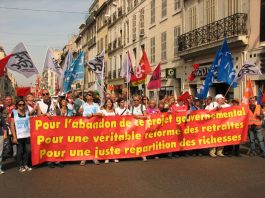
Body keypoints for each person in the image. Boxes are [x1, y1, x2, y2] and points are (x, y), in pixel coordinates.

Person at [37, 89, 64, 168]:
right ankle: (49, 161)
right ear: (42, 96)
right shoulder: (40, 104)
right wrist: (45, 114)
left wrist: (56, 107)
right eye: (44, 94)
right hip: (46, 127)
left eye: (47, 94)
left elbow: (59, 113)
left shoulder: (54, 102)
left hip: (55, 126)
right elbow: (38, 115)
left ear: (49, 94)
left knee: (56, 144)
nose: (45, 95)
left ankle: (57, 160)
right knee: (48, 144)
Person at [79, 91, 101, 166]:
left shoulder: (96, 105)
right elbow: (78, 115)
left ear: (92, 97)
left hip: (93, 127)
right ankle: (84, 158)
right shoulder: (83, 105)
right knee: (84, 142)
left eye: (89, 95)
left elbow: (100, 114)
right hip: (84, 127)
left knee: (93, 143)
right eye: (87, 95)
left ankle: (94, 157)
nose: (87, 96)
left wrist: (92, 114)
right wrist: (79, 112)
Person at [10, 99, 32, 172]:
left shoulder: (27, 112)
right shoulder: (14, 112)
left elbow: (31, 120)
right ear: (17, 105)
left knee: (28, 150)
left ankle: (25, 164)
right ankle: (20, 165)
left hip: (27, 135)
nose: (21, 106)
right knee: (20, 151)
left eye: (23, 104)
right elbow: (12, 125)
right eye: (19, 104)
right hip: (19, 136)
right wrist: (14, 136)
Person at [100, 98, 119, 164]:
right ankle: (107, 157)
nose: (109, 103)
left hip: (113, 130)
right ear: (106, 103)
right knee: (107, 144)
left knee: (113, 144)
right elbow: (98, 115)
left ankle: (114, 157)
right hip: (106, 130)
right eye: (108, 102)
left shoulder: (114, 111)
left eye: (110, 102)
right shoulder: (103, 111)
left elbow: (118, 119)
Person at [130, 95, 147, 161]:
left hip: (141, 127)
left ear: (139, 100)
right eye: (134, 100)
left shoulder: (142, 107)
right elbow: (130, 117)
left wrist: (138, 117)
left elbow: (145, 117)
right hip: (134, 127)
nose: (136, 101)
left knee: (142, 141)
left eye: (137, 100)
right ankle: (135, 154)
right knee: (134, 141)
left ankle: (143, 155)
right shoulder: (131, 107)